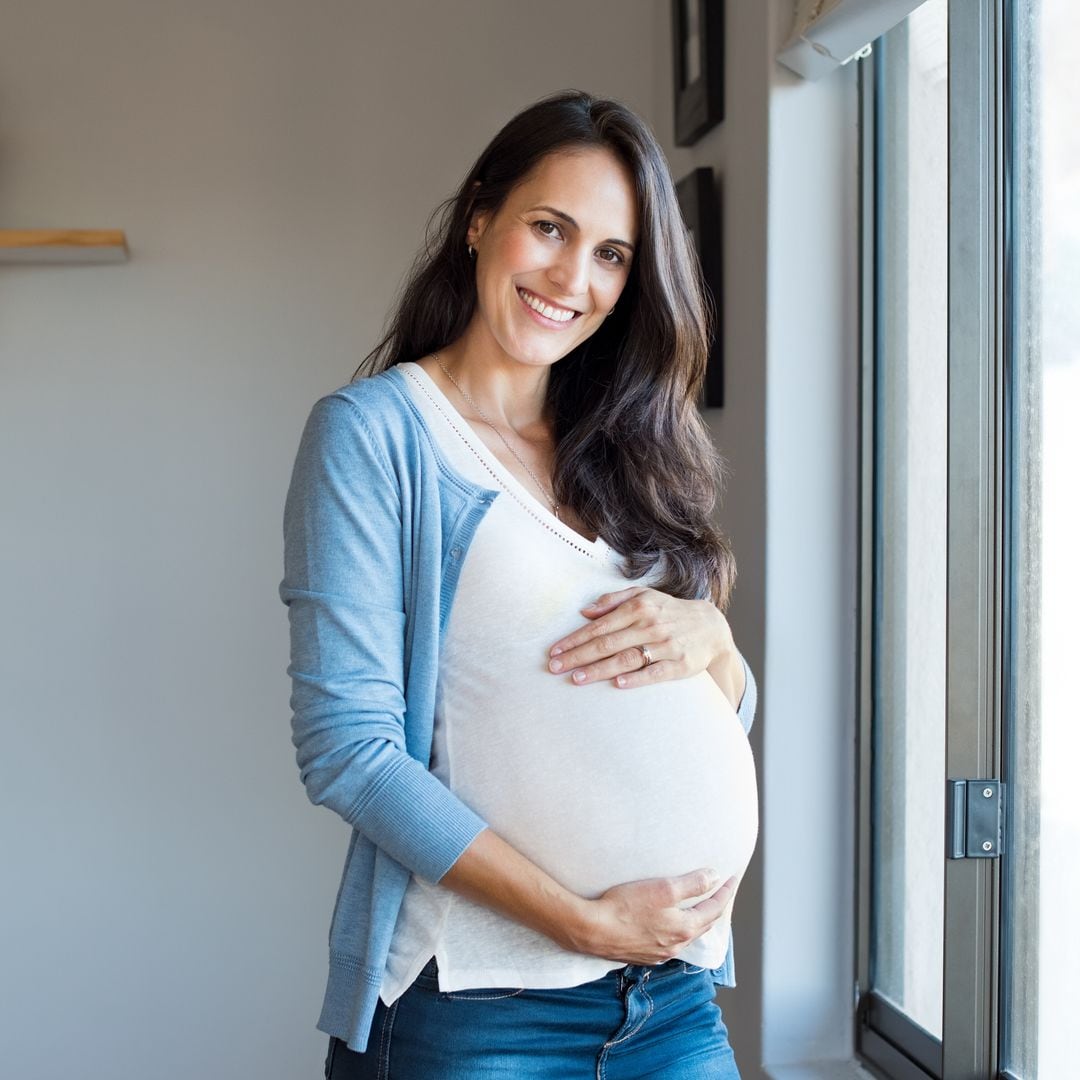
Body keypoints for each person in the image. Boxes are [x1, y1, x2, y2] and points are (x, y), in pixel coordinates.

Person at [279, 88, 759, 1079]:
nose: (570, 277)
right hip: (477, 1008)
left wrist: (716, 645)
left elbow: (710, 713)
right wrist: (583, 922)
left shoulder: (630, 451)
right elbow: (351, 752)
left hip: (669, 998)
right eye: (550, 228)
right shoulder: (378, 435)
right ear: (479, 218)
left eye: (611, 255)